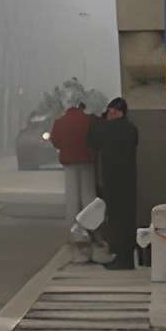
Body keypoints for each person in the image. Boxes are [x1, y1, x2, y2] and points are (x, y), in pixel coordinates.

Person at [87, 97, 140, 271]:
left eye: (111, 112)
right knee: (127, 220)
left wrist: (101, 119)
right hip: (128, 181)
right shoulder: (131, 129)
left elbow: (92, 141)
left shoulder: (106, 129)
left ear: (118, 112)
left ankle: (120, 258)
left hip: (112, 180)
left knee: (116, 221)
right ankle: (127, 258)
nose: (109, 115)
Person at [50, 99, 97, 243]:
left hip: (69, 161)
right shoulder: (90, 120)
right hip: (87, 160)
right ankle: (91, 229)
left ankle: (73, 231)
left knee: (72, 197)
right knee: (88, 196)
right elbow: (95, 139)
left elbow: (55, 140)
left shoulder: (60, 121)